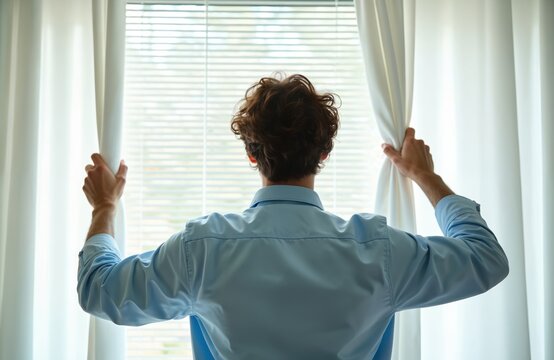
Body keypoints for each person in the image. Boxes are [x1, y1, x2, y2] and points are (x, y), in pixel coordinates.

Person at [78, 74, 509, 359]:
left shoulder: (203, 248)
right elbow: (486, 259)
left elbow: (99, 290)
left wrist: (104, 209)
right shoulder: (378, 250)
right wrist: (424, 177)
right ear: (324, 154)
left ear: (251, 155)